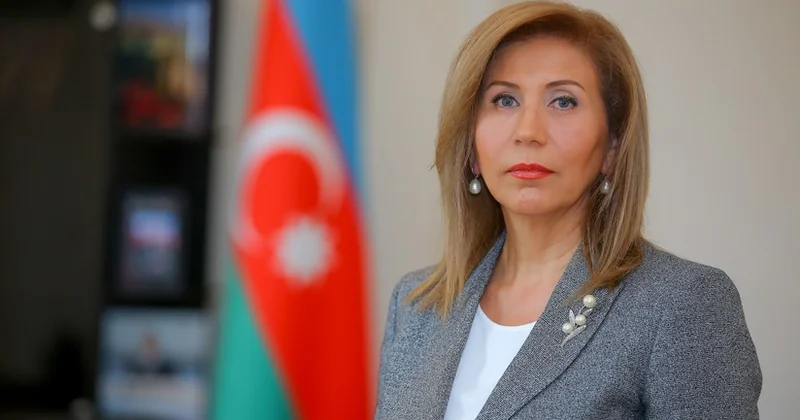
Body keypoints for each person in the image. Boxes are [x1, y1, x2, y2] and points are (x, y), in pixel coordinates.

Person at [374, 2, 762, 419]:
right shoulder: (416, 306)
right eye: (504, 99)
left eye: (563, 102)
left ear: (612, 147)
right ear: (471, 146)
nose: (528, 131)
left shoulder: (682, 304)